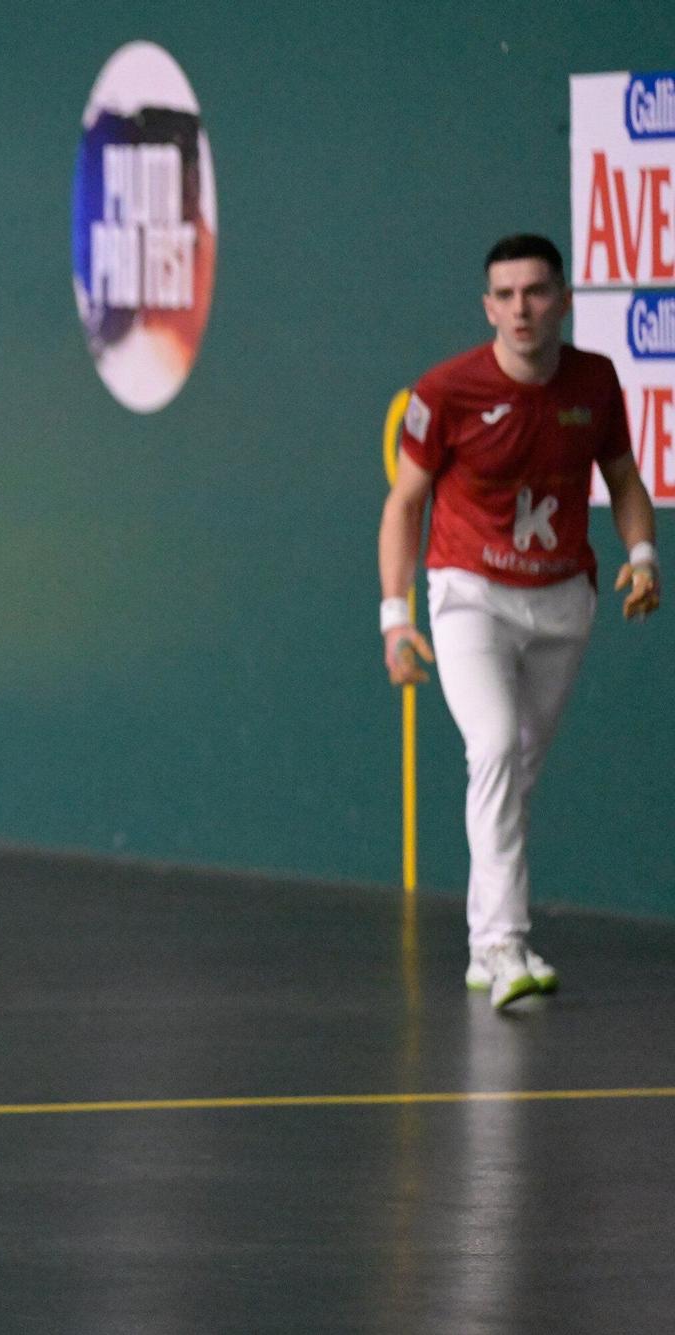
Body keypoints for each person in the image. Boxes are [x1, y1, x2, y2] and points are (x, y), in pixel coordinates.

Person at [378, 232, 658, 1010]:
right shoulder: (447, 391)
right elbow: (405, 503)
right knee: (495, 747)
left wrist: (642, 554)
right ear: (486, 306)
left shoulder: (596, 381)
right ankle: (503, 945)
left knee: (514, 772)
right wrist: (395, 618)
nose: (520, 308)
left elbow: (624, 477)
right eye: (504, 295)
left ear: (564, 300)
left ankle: (482, 943)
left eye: (535, 292)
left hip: (564, 599)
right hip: (470, 595)